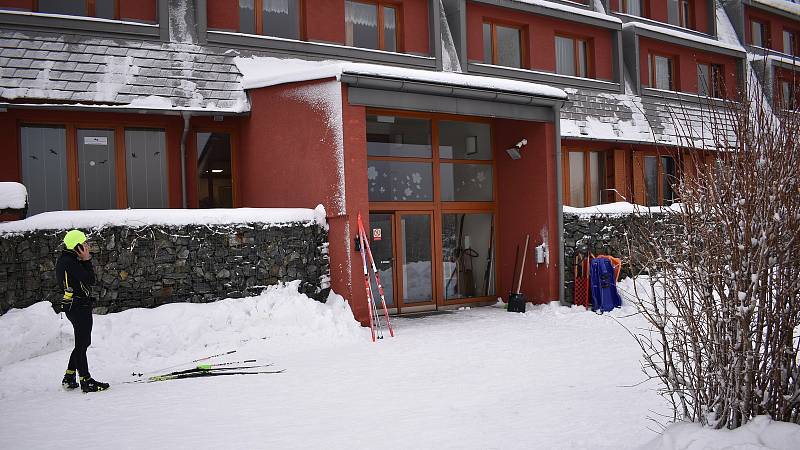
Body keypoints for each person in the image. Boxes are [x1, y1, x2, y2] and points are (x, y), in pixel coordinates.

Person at [55, 229, 109, 393]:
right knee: (82, 344)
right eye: (84, 243)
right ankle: (86, 381)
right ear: (77, 246)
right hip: (78, 306)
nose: (87, 246)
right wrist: (86, 260)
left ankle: (69, 376)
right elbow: (90, 279)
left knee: (82, 343)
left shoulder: (67, 259)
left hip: (75, 305)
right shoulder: (70, 262)